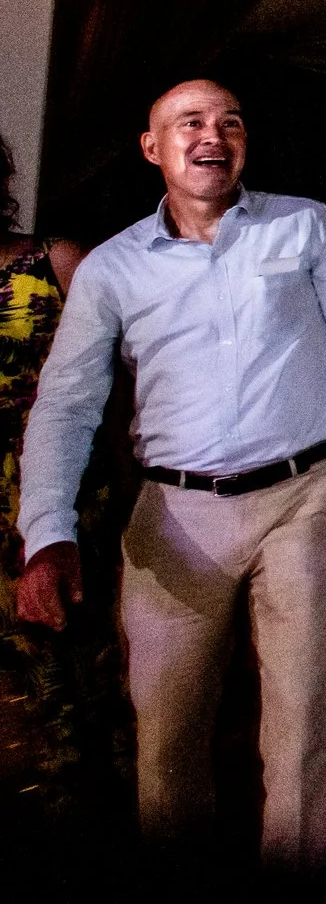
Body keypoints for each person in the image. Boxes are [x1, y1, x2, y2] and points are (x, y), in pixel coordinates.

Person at [13, 79, 326, 868]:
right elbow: (65, 405)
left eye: (230, 121)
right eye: (190, 122)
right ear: (151, 147)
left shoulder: (302, 223)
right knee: (167, 739)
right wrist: (46, 533)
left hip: (303, 498)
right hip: (176, 514)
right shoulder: (113, 268)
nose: (213, 135)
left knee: (305, 725)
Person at [0, 136, 104, 816]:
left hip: (58, 486)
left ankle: (93, 817)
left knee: (78, 663)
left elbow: (123, 386)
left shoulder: (57, 260)